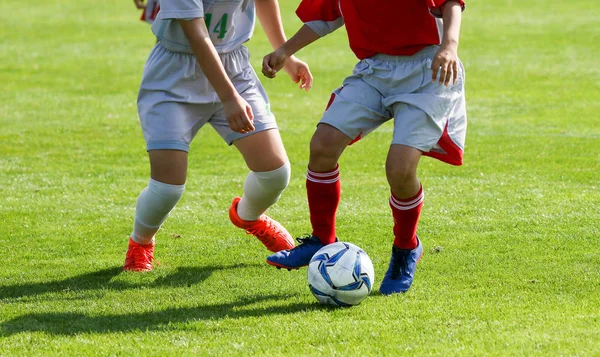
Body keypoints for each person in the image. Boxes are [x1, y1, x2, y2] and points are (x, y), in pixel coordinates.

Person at [262, 0, 467, 294]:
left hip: (427, 68)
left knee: (400, 168)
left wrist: (449, 45)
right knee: (323, 146)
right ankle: (322, 239)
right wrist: (285, 51)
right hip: (374, 69)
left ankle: (406, 247)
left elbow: (451, 3)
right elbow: (326, 17)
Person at [123, 0, 313, 272]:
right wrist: (229, 97)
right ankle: (140, 243)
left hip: (234, 68)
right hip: (174, 75)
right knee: (167, 189)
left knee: (274, 174)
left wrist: (285, 53)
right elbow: (198, 35)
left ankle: (248, 216)